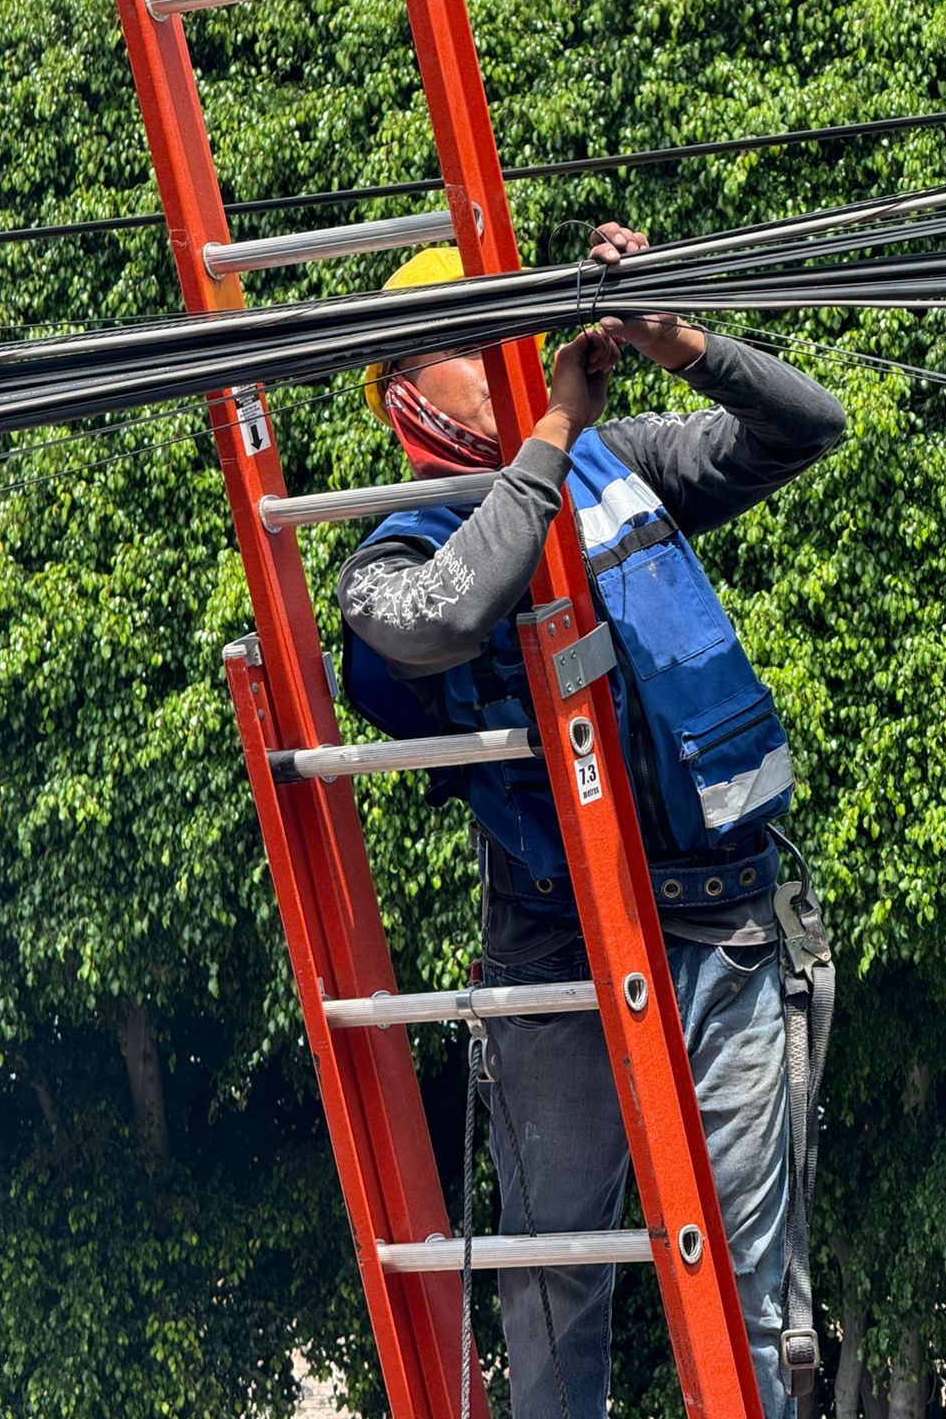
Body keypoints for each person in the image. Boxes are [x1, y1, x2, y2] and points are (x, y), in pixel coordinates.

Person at [338, 224, 846, 1419]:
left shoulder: (626, 462)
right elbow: (444, 616)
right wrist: (552, 434)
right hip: (558, 954)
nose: (517, 361)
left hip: (718, 930)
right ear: (411, 395)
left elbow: (806, 425)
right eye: (480, 344)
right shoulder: (390, 556)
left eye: (520, 334)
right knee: (554, 1286)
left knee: (750, 1293)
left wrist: (682, 343)